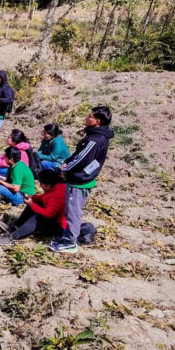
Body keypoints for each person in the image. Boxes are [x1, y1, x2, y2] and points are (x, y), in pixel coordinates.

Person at [51, 106, 114, 253]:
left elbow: (81, 158)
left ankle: (70, 243)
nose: (87, 118)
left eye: (90, 116)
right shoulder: (98, 136)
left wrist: (65, 169)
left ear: (97, 121)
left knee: (73, 212)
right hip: (82, 178)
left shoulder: (94, 140)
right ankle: (68, 237)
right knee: (72, 211)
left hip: (80, 181)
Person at [0, 169, 66, 246]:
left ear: (48, 184)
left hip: (60, 227)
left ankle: (12, 238)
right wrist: (34, 198)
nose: (40, 185)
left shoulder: (58, 195)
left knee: (38, 217)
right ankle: (16, 227)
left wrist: (32, 205)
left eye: (41, 183)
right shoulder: (55, 187)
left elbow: (48, 214)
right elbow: (46, 197)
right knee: (35, 204)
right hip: (54, 218)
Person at [0, 146, 36, 212]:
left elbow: (16, 188)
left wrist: (0, 181)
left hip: (23, 198)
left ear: (11, 159)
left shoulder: (17, 169)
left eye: (6, 157)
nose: (4, 159)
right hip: (20, 193)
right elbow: (10, 180)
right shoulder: (14, 165)